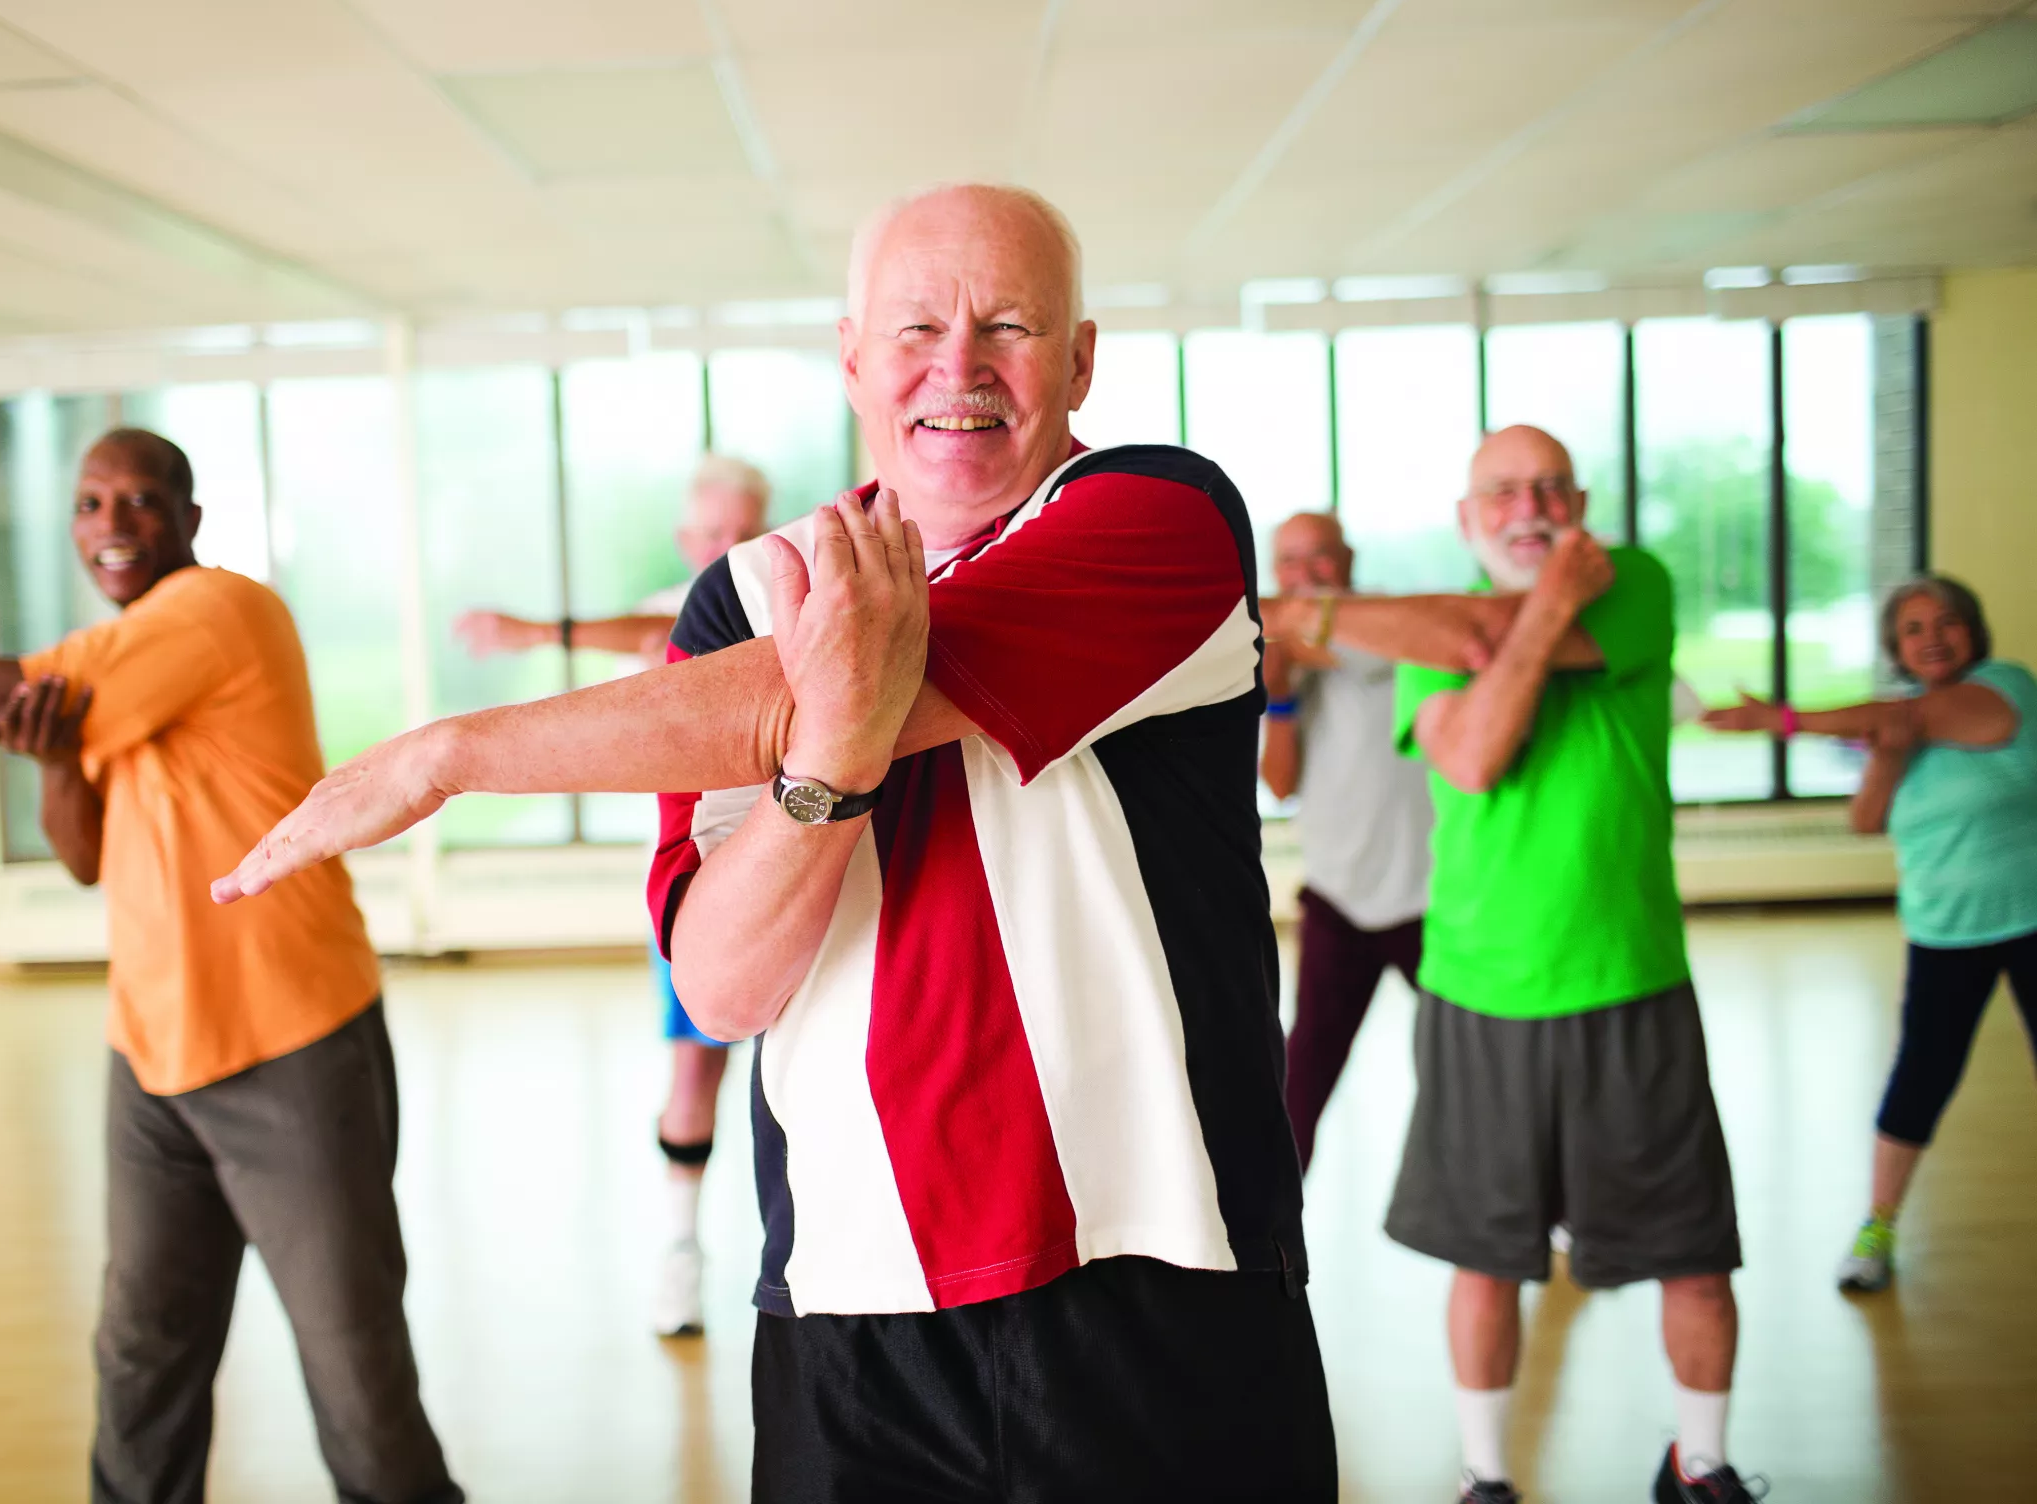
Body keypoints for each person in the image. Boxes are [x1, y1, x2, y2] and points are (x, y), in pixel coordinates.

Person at [216, 183, 1337, 1502]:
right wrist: (829, 760)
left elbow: (818, 687)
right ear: (853, 354)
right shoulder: (741, 596)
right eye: (916, 326)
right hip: (846, 1306)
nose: (958, 366)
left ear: (1080, 358)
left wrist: (446, 754)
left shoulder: (1160, 517)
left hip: (1162, 1275)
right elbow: (724, 985)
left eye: (1011, 326)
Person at [0, 428, 460, 1504]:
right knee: (142, 1356)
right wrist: (51, 761)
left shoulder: (220, 612)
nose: (111, 523)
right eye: (89, 502)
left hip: (291, 1037)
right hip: (151, 1051)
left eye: (139, 499)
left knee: (355, 1371)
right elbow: (86, 854)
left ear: (190, 520)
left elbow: (4, 685)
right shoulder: (122, 667)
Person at [1269, 425, 1758, 1504]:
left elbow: (1492, 636)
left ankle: (1704, 1462)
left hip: (1631, 980)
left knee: (1693, 1253)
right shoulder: (1446, 631)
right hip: (1480, 991)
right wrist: (1529, 614)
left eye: (1548, 488)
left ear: (1578, 502)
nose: (1528, 507)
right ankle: (1485, 1475)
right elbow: (1478, 754)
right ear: (1466, 518)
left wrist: (1308, 617)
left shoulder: (1635, 581)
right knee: (1485, 1256)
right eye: (1502, 491)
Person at [454, 454, 773, 1338]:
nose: (727, 548)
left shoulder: (786, 593)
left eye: (742, 530)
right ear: (685, 540)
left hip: (805, 865)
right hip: (704, 888)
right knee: (693, 1072)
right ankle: (680, 1252)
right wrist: (533, 632)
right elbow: (643, 625)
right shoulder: (679, 612)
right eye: (711, 534)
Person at [1703, 575, 2033, 1293]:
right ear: (1897, 650)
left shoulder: (2005, 687)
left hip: (2032, 915)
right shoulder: (1899, 723)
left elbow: (1940, 721)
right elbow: (1865, 818)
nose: (1933, 637)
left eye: (1946, 621)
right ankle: (1877, 1226)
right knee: (1922, 1076)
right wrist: (1885, 750)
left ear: (1973, 631)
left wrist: (1784, 721)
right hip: (1946, 929)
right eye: (1913, 630)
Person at [1260, 511, 1433, 1171]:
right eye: (1291, 564)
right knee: (1303, 1077)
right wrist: (1279, 695)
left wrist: (1297, 645)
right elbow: (1279, 784)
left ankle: (1536, 1206)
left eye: (1321, 558)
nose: (1307, 576)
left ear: (1350, 557)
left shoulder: (1398, 623)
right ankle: (1271, 1234)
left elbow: (1345, 644)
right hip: (1339, 899)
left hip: (1433, 896)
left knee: (1474, 1061)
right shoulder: (1276, 660)